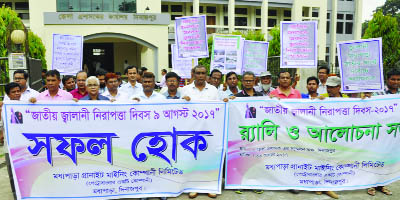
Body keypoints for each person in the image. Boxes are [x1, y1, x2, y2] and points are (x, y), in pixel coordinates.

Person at [180, 65, 218, 199]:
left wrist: (224, 103)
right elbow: (180, 110)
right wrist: (184, 101)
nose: (201, 76)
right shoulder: (185, 89)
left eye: (203, 73)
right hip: (191, 130)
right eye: (198, 73)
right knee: (192, 158)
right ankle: (193, 186)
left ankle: (209, 186)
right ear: (193, 74)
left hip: (209, 130)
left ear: (206, 75)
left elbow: (218, 109)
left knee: (209, 159)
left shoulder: (213, 90)